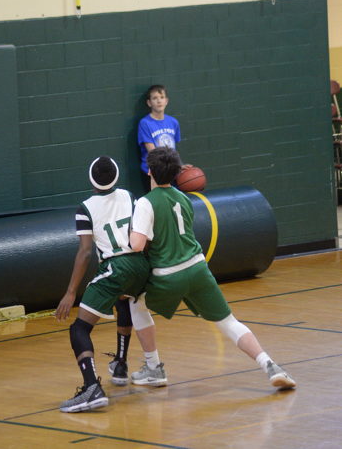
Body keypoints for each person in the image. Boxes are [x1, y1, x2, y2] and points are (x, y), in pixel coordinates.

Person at [128, 146, 297, 391]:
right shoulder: (184, 198)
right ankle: (271, 365)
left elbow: (137, 245)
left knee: (136, 305)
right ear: (176, 173)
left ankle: (154, 368)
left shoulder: (145, 203)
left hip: (169, 274)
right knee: (228, 322)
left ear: (149, 171)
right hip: (198, 267)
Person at [55, 156, 163, 413]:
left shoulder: (84, 208)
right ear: (116, 176)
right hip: (140, 263)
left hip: (116, 266)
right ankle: (122, 365)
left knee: (79, 329)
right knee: (123, 300)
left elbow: (85, 252)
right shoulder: (129, 196)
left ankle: (91, 387)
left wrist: (70, 292)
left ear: (91, 179)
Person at [137, 84, 181, 190]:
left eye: (162, 97)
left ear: (166, 101)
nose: (159, 101)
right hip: (153, 172)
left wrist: (179, 165)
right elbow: (153, 153)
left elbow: (173, 150)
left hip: (170, 171)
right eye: (155, 98)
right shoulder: (145, 123)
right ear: (149, 103)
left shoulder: (173, 122)